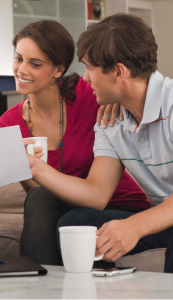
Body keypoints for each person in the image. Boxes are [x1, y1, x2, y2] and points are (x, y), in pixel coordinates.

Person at [27, 13, 173, 273]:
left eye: (89, 68)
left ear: (118, 72)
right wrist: (35, 167)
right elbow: (97, 193)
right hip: (164, 221)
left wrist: (135, 226)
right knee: (77, 222)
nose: (84, 78)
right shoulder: (110, 120)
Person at [0, 20, 151, 266]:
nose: (21, 70)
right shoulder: (8, 124)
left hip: (119, 205)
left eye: (35, 64)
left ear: (58, 69)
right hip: (64, 208)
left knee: (74, 220)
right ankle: (41, 284)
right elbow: (37, 193)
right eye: (18, 59)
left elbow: (129, 90)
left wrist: (117, 101)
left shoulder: (93, 94)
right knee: (40, 198)